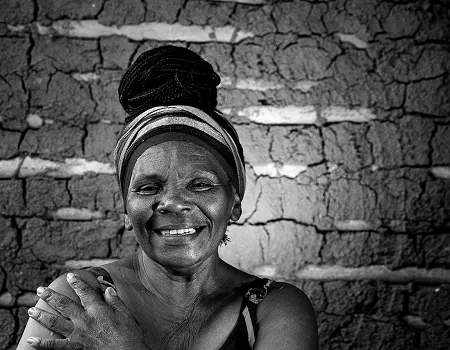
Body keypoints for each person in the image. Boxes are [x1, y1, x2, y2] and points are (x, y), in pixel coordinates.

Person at [16, 45, 318, 350]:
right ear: (126, 208)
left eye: (200, 184)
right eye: (148, 188)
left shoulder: (274, 308)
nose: (172, 202)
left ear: (234, 203)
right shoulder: (80, 301)